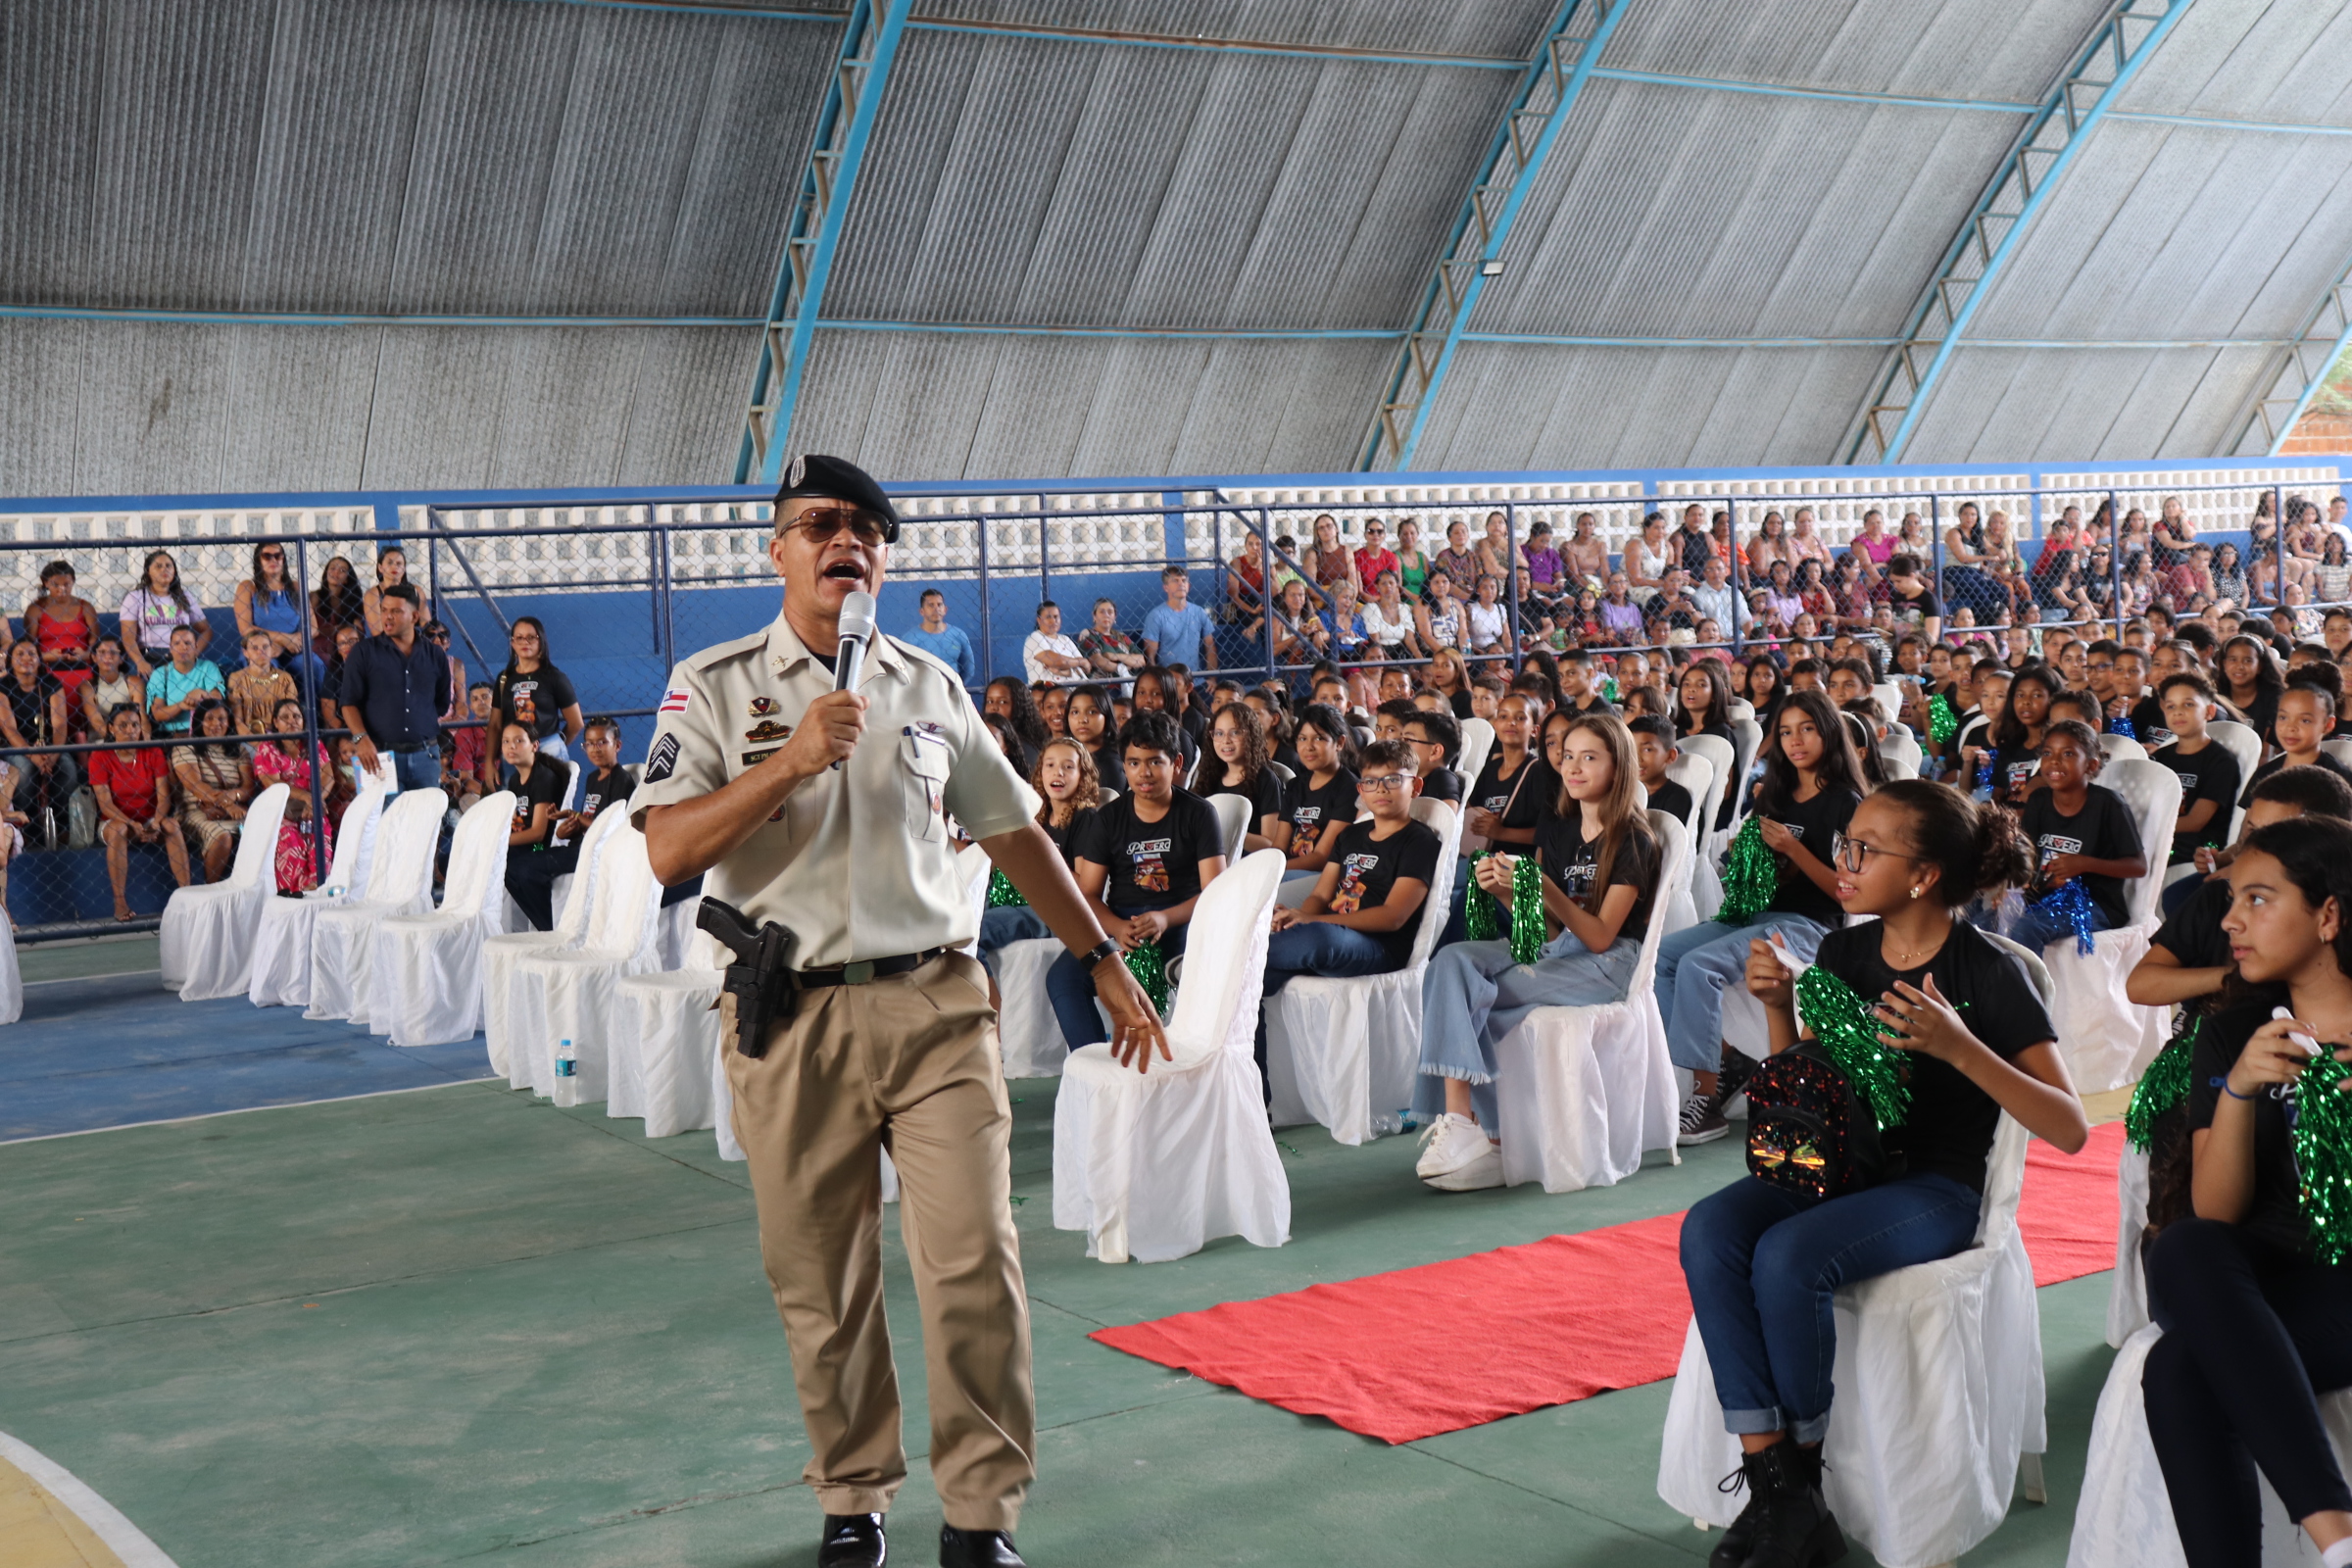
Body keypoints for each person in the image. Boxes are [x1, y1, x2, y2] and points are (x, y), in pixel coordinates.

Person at [632, 454, 1160, 1568]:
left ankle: (980, 1519)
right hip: (792, 1015)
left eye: (867, 528)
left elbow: (1015, 831)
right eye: (820, 523)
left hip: (934, 1006)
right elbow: (671, 848)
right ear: (776, 549)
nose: (847, 540)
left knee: (976, 1260)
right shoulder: (716, 683)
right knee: (821, 1274)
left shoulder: (928, 683)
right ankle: (853, 1497)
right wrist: (789, 762)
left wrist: (1102, 954)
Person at [1685, 781, 2086, 1567]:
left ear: (1924, 876)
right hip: (1844, 1165)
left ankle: (1792, 1491)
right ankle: (1782, 1490)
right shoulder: (1844, 951)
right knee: (1709, 1229)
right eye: (1846, 844)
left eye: (1865, 849)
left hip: (1936, 1188)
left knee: (1789, 1256)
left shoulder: (1988, 972)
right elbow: (1806, 1086)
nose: (1845, 860)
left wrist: (1960, 1045)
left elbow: (2069, 1126)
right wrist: (1776, 1006)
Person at [2138, 815, 2352, 1567]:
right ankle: (2339, 1537)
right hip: (2246, 1271)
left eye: (2258, 899)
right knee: (2188, 1240)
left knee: (2177, 1368)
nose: (2229, 920)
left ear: (2328, 914)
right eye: (2233, 899)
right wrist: (2239, 1093)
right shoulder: (2236, 1031)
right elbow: (2217, 1211)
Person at [1413, 711, 1661, 1189]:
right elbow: (1545, 931)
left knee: (1473, 996)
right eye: (1569, 756)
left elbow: (1600, 936)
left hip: (1608, 963)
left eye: (1589, 757)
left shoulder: (1633, 837)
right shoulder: (1560, 829)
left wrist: (1543, 887)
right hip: (1560, 950)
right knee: (1451, 962)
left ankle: (1494, 1136)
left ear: (1619, 765)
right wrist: (1507, 893)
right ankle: (1463, 1122)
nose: (1574, 767)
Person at [1657, 690, 1867, 1145]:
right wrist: (1746, 854)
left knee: (1698, 965)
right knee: (1660, 958)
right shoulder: (1775, 794)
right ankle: (1730, 1060)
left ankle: (1705, 1102)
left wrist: (1793, 850)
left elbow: (1846, 893)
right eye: (1787, 732)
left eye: (1807, 729)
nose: (1795, 741)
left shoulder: (1844, 802)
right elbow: (1749, 870)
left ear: (1829, 734)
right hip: (1756, 913)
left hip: (1810, 925)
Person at [1044, 709, 1225, 1053]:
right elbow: (1090, 894)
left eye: (1155, 762)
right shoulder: (1108, 818)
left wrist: (1164, 919)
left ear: (1177, 763)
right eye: (1133, 763)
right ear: (1124, 765)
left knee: (1200, 972)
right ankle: (1097, 1065)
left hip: (1182, 923)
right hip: (1122, 924)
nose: (1144, 773)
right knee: (1063, 977)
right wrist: (1115, 927)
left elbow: (1214, 893)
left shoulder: (1200, 814)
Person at [1258, 737, 1440, 1075]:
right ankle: (1258, 1099)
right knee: (1252, 981)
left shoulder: (1419, 841)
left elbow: (1393, 917)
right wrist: (1298, 916)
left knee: (1316, 940)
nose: (1381, 789)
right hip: (1334, 935)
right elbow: (1320, 894)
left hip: (1379, 947)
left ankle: (1237, 955)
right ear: (1362, 789)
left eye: (1392, 780)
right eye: (1371, 781)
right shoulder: (1351, 837)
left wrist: (1313, 922)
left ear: (1415, 786)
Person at [2132, 765, 2352, 1009]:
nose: (2256, 845)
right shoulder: (2220, 897)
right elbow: (2140, 985)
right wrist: (2234, 977)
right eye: (2252, 830)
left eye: (2276, 834)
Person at [2005, 719, 2147, 951]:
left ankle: (2025, 988)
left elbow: (2138, 866)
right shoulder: (2039, 800)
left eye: (2068, 753)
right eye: (2048, 753)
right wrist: (2012, 890)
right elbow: (2026, 855)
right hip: (2042, 897)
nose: (2054, 761)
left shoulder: (2108, 804)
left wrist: (2085, 864)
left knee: (2026, 928)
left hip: (2094, 904)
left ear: (2091, 765)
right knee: (1982, 921)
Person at [976, 737, 1102, 970]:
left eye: (1068, 766)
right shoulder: (1037, 817)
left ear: (1083, 775)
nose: (1058, 773)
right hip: (1021, 899)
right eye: (1050, 765)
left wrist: (1043, 861)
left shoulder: (1085, 818)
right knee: (960, 920)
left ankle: (987, 1004)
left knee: (975, 931)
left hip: (1053, 911)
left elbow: (1085, 888)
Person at [337, 582, 454, 793]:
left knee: (425, 823)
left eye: (396, 611)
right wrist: (361, 739)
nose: (387, 616)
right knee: (383, 822)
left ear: (415, 617)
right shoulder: (363, 653)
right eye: (384, 610)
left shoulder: (435, 655)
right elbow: (349, 703)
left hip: (426, 756)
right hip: (378, 756)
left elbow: (441, 704)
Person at [90, 703, 192, 920]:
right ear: (111, 729)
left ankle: (187, 895)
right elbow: (105, 804)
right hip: (115, 822)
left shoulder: (152, 752)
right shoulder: (100, 756)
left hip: (150, 819)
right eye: (123, 725)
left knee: (172, 825)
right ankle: (120, 902)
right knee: (118, 831)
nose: (130, 731)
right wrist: (131, 824)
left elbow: (164, 795)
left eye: (135, 725)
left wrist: (156, 821)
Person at [2150, 672, 2240, 866]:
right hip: (2162, 835)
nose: (2178, 712)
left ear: (2209, 711)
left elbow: (2195, 821)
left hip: (2201, 844)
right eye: (2171, 706)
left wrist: (2148, 828)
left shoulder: (2221, 761)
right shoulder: (2159, 757)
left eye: (2188, 704)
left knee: (2154, 849)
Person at [251, 696, 328, 893]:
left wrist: (315, 801)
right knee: (291, 841)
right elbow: (273, 783)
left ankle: (318, 888)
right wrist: (307, 797)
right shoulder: (267, 748)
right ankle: (293, 894)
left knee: (320, 836)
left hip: (313, 807)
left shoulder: (313, 743)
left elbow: (329, 775)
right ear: (275, 723)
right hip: (280, 811)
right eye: (285, 717)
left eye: (296, 716)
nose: (292, 721)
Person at [171, 698, 254, 882]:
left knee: (265, 829)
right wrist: (227, 804)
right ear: (199, 721)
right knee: (222, 836)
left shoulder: (239, 750)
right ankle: (211, 889)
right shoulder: (185, 747)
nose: (216, 724)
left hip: (236, 810)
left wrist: (233, 796)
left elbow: (248, 787)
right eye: (209, 718)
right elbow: (195, 786)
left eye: (222, 719)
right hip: (198, 810)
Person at [0, 636, 74, 843]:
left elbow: (60, 725)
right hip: (15, 747)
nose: (27, 658)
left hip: (49, 744)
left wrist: (52, 755)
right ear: (10, 660)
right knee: (23, 770)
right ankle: (29, 828)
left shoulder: (51, 682)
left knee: (67, 767)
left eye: (32, 654)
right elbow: (9, 729)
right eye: (20, 654)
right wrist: (33, 757)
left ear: (40, 659)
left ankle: (61, 826)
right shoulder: (3, 686)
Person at [233, 541, 324, 694]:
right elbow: (246, 629)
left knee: (314, 665)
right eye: (267, 556)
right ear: (258, 560)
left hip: (295, 648)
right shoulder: (248, 587)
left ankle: (317, 714)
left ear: (283, 559)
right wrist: (283, 639)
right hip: (261, 648)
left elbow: (313, 627)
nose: (273, 560)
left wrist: (294, 640)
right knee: (268, 669)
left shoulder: (296, 587)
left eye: (277, 556)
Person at [1280, 704, 1357, 879]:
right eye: (1302, 739)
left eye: (1319, 738)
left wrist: (1274, 871)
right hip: (1287, 868)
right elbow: (1279, 846)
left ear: (1339, 743)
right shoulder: (1295, 786)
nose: (1309, 747)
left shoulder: (1349, 789)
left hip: (1321, 876)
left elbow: (1322, 857)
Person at [491, 616, 583, 760]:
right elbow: (495, 725)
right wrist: (489, 763)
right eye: (519, 638)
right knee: (513, 784)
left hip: (548, 749)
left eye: (531, 637)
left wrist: (555, 744)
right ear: (513, 643)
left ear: (541, 641)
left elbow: (576, 723)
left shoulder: (555, 677)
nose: (525, 642)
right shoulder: (504, 679)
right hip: (513, 752)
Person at [1200, 701, 1285, 853]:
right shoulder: (1209, 777)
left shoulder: (1266, 780)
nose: (1226, 740)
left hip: (1251, 866)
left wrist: (1228, 833)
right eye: (1219, 733)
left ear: (1251, 735)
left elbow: (1271, 843)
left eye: (1235, 732)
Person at [118, 550, 208, 677]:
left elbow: (206, 630)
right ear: (148, 571)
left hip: (180, 654)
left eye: (168, 566)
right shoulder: (135, 597)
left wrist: (194, 653)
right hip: (148, 655)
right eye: (158, 566)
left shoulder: (185, 596)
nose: (164, 570)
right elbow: (128, 636)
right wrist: (140, 662)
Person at [23, 560, 98, 699]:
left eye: (66, 584)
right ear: (46, 583)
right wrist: (46, 656)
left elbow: (96, 644)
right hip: (47, 667)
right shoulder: (36, 609)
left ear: (73, 581)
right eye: (55, 585)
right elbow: (28, 646)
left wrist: (85, 654)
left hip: (82, 666)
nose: (62, 589)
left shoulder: (85, 607)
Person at [144, 623, 225, 739]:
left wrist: (201, 693)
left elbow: (218, 697)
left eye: (188, 643)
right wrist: (182, 705)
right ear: (171, 648)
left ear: (196, 646)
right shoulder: (160, 674)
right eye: (177, 643)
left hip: (205, 732)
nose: (183, 647)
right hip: (173, 735)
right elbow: (158, 714)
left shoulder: (208, 667)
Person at [226, 627, 298, 739]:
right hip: (250, 737)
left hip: (281, 737)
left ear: (272, 649)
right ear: (245, 653)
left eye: (265, 647)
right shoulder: (237, 678)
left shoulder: (284, 678)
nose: (261, 651)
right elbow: (238, 722)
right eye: (254, 648)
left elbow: (293, 716)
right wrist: (259, 746)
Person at [1141, 565, 1215, 670]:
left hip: (1195, 679)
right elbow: (1150, 657)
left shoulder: (1199, 612)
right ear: (1166, 587)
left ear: (1188, 586)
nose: (1181, 584)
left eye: (1184, 581)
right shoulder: (1156, 616)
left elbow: (1210, 647)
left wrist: (1212, 678)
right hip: (1168, 680)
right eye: (1175, 581)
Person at [900, 588, 978, 684]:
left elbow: (969, 669)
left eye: (939, 605)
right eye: (930, 605)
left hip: (952, 691)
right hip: (923, 693)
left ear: (945, 610)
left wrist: (957, 688)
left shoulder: (958, 635)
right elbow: (903, 671)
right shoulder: (910, 639)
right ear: (922, 611)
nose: (936, 608)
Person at [1629, 712, 1694, 828]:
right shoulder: (1626, 792)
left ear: (1670, 756)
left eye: (1647, 750)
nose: (1637, 758)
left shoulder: (1678, 797)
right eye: (1631, 749)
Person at [78, 637, 143, 748]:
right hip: (101, 741)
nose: (108, 656)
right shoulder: (87, 686)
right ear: (94, 657)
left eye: (113, 652)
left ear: (122, 658)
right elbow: (96, 721)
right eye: (102, 652)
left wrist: (142, 739)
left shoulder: (133, 682)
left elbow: (142, 716)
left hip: (133, 738)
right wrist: (118, 742)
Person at [362, 545, 430, 636]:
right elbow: (377, 632)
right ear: (380, 568)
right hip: (386, 646)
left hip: (416, 642)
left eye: (399, 563)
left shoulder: (416, 590)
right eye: (390, 563)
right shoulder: (373, 594)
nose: (395, 567)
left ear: (404, 568)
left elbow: (426, 625)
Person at [1401, 708, 1463, 807]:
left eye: (1408, 740)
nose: (1400, 745)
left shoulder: (1442, 778)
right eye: (1401, 739)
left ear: (1435, 752)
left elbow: (1446, 817)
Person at [1020, 601, 1086, 685]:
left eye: (1056, 617)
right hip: (1048, 692)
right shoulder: (1034, 638)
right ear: (1039, 620)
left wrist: (1063, 671)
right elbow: (1058, 662)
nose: (1053, 621)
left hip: (1077, 689)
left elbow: (1085, 668)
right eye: (1048, 617)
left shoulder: (1065, 639)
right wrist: (1078, 663)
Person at [312, 556, 368, 653]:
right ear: (326, 573)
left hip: (345, 648)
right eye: (332, 568)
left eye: (342, 570)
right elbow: (310, 630)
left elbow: (359, 630)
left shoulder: (353, 601)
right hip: (318, 648)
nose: (336, 572)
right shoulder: (315, 597)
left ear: (347, 579)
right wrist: (341, 628)